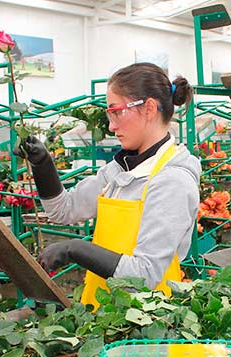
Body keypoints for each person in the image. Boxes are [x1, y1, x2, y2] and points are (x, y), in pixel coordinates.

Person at [15, 63, 201, 306]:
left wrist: (76, 249)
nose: (112, 126)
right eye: (109, 114)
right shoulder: (119, 170)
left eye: (117, 112)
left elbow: (144, 275)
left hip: (146, 322)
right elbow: (63, 210)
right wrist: (43, 165)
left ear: (148, 108)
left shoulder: (172, 181)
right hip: (104, 312)